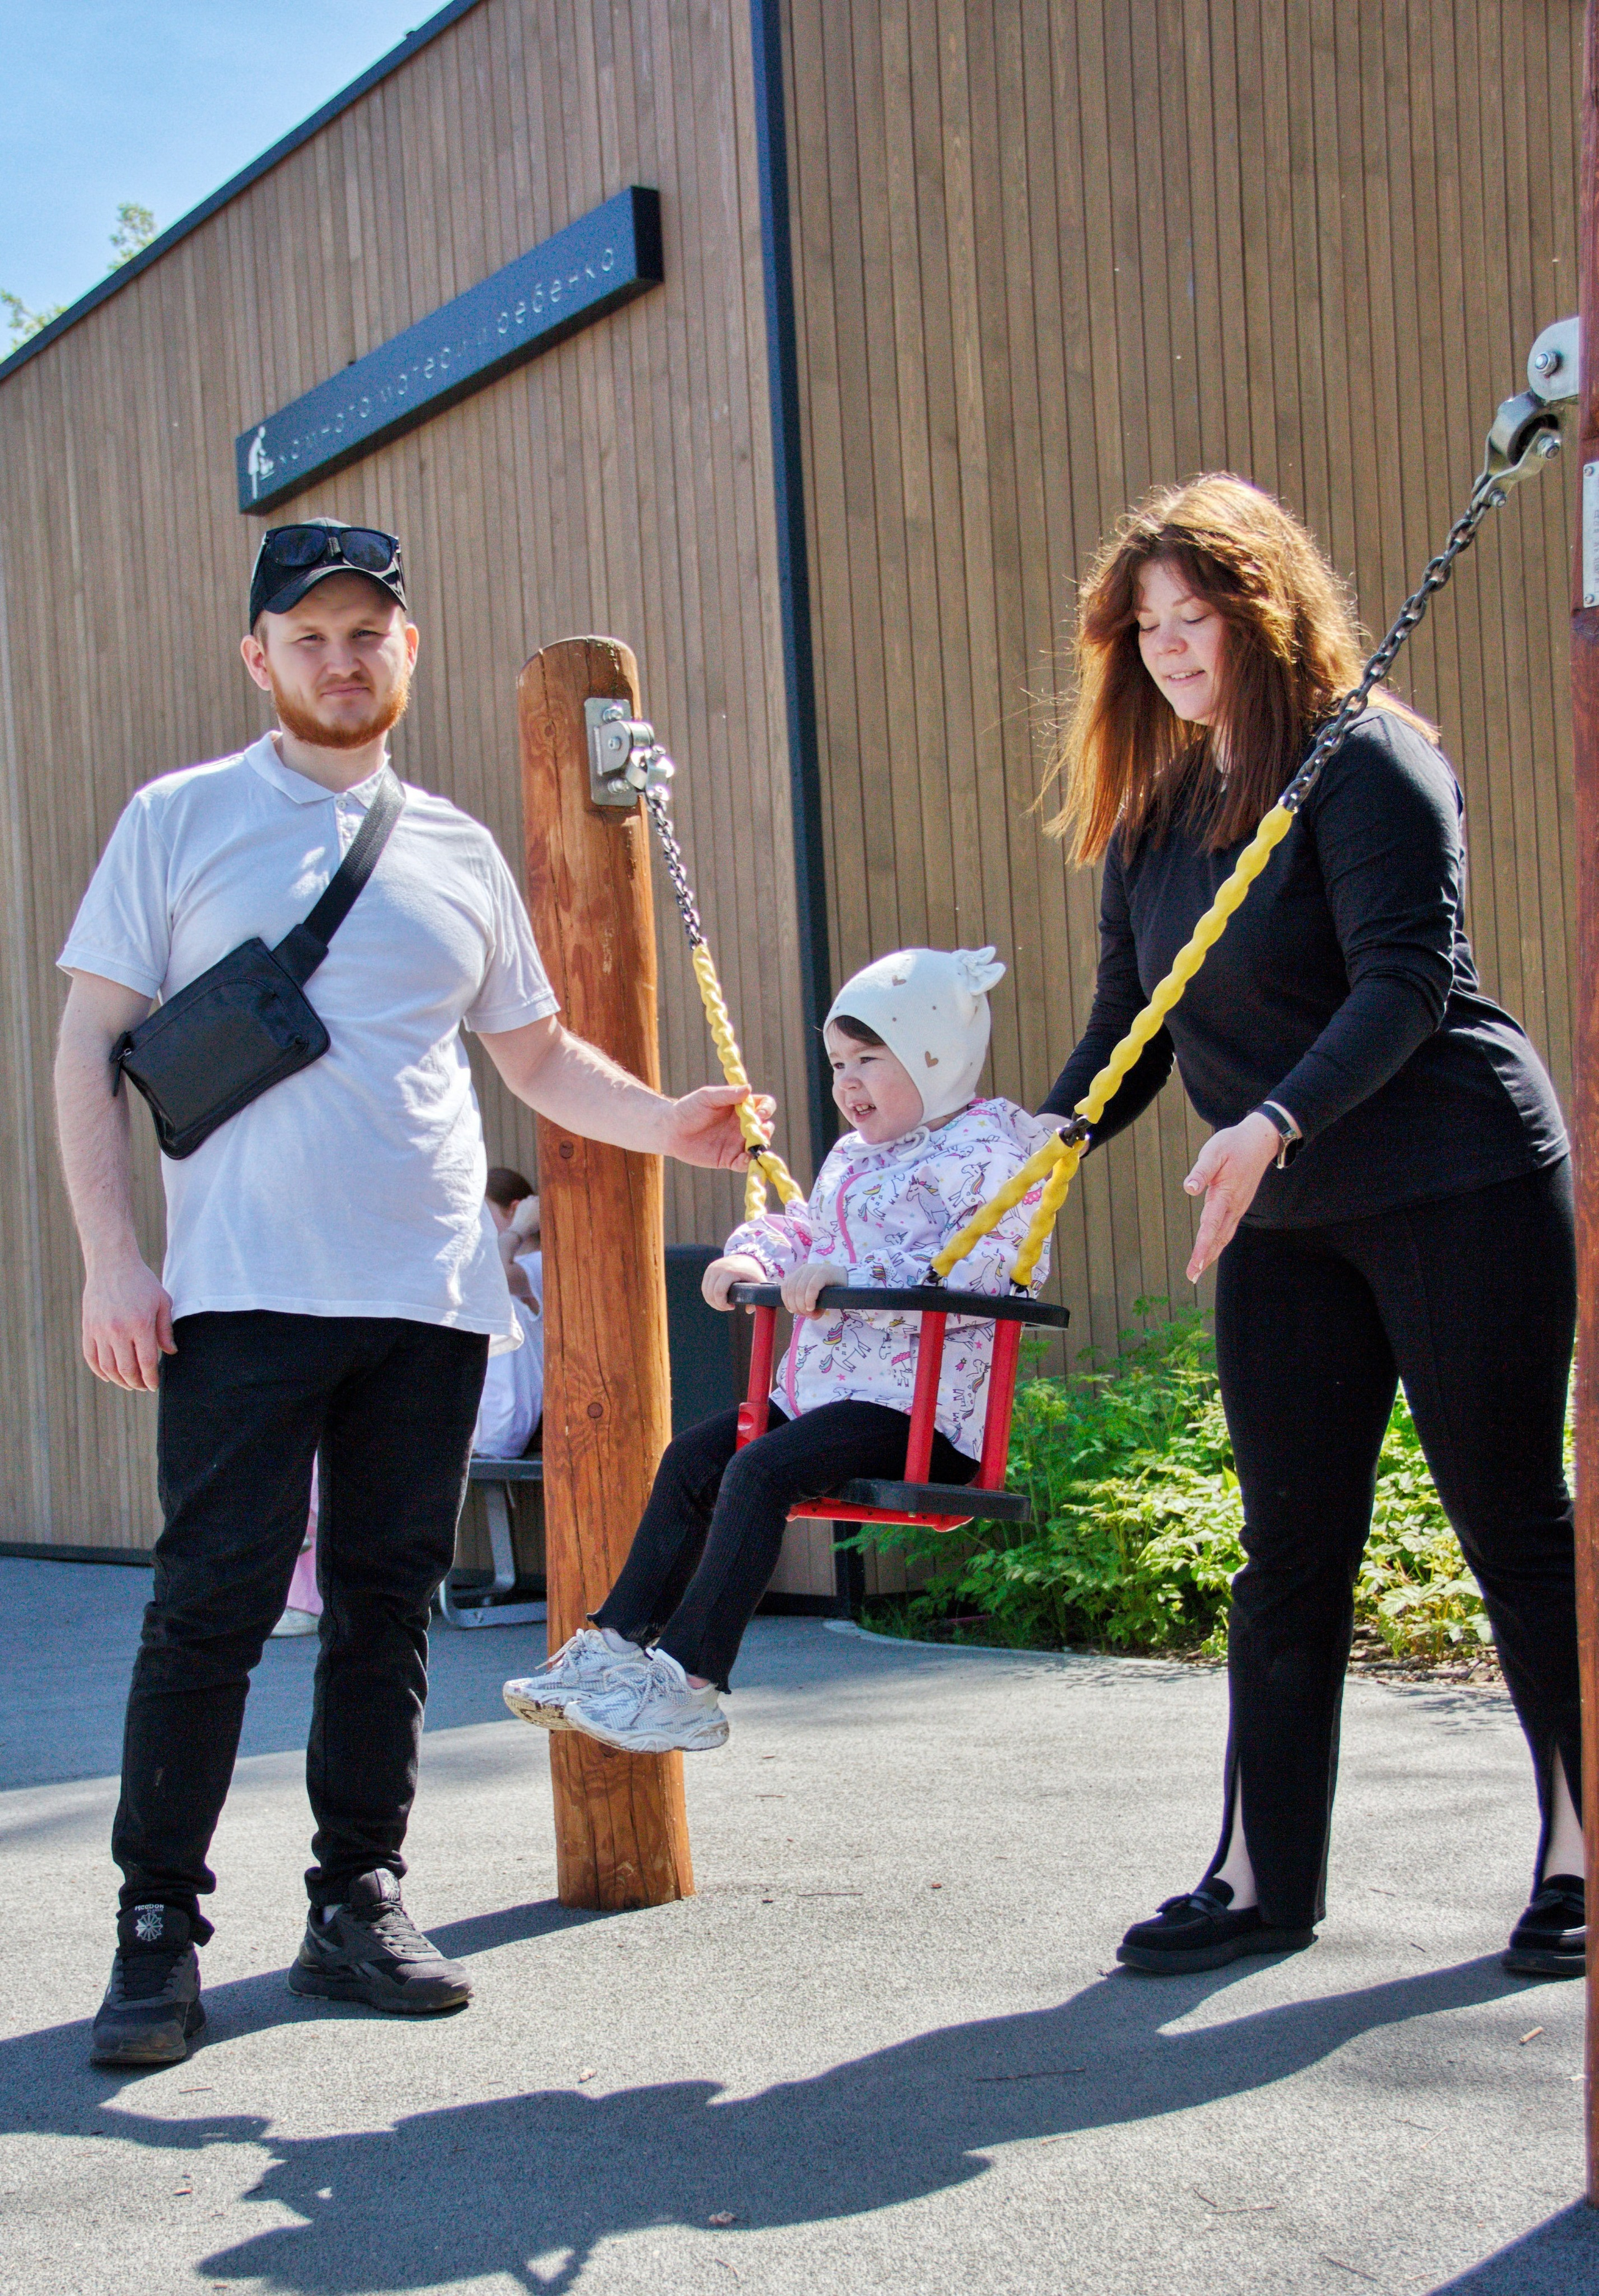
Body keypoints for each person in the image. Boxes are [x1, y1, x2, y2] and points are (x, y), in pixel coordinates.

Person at [55, 517, 763, 2067]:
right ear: (259, 660)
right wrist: (116, 1258)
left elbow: (530, 1055)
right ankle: (155, 1930)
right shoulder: (176, 821)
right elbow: (82, 1055)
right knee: (211, 1608)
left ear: (405, 653)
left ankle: (355, 1902)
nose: (337, 657)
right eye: (306, 636)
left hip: (431, 1298)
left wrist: (663, 1121)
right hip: (239, 1292)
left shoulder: (451, 847)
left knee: (390, 1604)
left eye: (364, 633)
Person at [1037, 475, 1582, 1980]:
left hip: (1447, 1176)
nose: (1164, 647)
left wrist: (1267, 1122)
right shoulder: (1154, 813)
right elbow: (1128, 1027)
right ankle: (1261, 1874)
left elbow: (1400, 985)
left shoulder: (1369, 767)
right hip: (1278, 1217)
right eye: (1140, 625)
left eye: (1189, 615)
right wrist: (1035, 1144)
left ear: (1259, 610)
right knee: (1285, 1546)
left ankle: (1580, 1848)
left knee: (1509, 1524)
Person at [503, 947, 1056, 1754]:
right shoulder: (851, 1159)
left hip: (921, 1414)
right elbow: (804, 1229)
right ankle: (616, 1646)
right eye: (839, 1062)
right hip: (832, 1393)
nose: (848, 1082)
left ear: (936, 1056)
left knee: (758, 1467)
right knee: (696, 1457)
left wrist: (854, 1274)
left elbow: (994, 1263)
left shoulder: (989, 1157)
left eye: (871, 1058)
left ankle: (689, 1682)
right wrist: (754, 1255)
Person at [475, 1170, 544, 1459]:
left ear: (516, 1211)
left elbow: (501, 1276)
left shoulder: (542, 1263)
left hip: (503, 1420)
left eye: (481, 1214)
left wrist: (516, 1230)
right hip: (482, 1415)